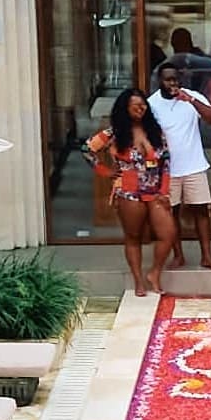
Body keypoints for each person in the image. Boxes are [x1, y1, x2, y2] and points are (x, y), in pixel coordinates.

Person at [86, 85, 177, 294]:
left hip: (155, 191)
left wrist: (164, 190)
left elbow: (166, 162)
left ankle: (154, 273)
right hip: (128, 191)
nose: (140, 109)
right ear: (124, 108)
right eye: (135, 106)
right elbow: (87, 148)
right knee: (133, 236)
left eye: (143, 105)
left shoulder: (155, 131)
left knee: (168, 233)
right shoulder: (114, 133)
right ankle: (138, 281)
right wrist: (105, 171)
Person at [149, 68, 211, 271]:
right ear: (159, 81)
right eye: (168, 80)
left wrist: (191, 100)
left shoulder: (193, 97)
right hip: (167, 170)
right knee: (172, 214)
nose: (173, 84)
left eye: (176, 80)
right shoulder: (152, 104)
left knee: (201, 211)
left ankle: (207, 256)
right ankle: (178, 256)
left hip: (194, 166)